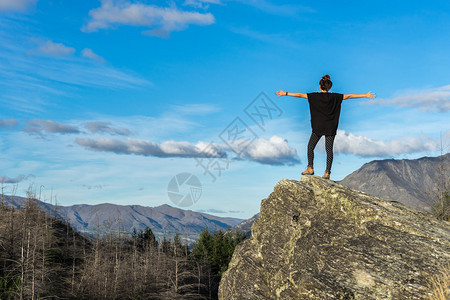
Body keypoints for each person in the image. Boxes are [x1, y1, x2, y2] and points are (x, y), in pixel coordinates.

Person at [276, 74, 376, 179]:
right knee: (329, 150)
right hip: (330, 127)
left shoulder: (314, 96)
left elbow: (300, 95)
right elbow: (349, 96)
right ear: (329, 87)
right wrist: (365, 95)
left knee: (310, 147)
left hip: (318, 127)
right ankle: (327, 172)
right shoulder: (335, 97)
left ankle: (310, 168)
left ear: (320, 86)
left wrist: (285, 93)